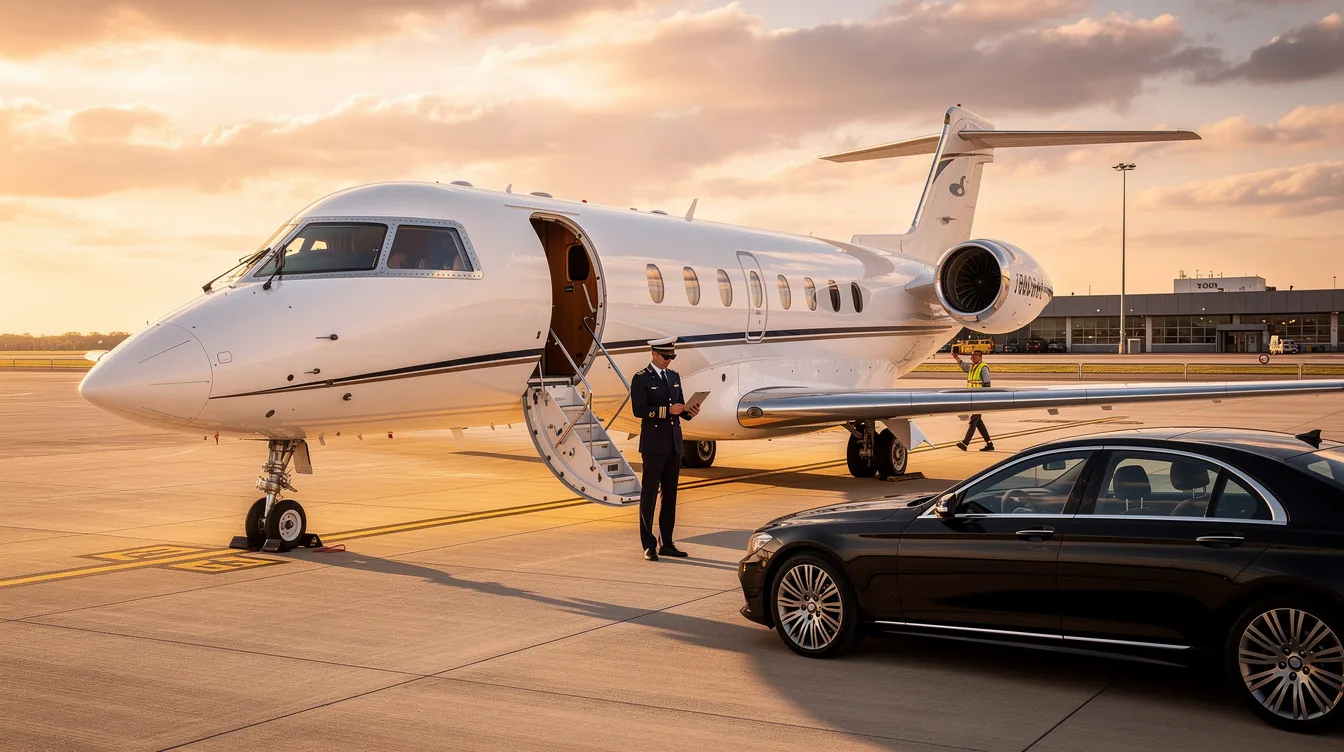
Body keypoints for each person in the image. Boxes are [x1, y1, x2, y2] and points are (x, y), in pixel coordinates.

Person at [629, 337, 700, 561]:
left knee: (670, 497)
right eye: (666, 356)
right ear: (654, 354)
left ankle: (666, 543)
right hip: (653, 445)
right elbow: (639, 410)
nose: (669, 360)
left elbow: (679, 407)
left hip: (673, 444)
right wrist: (667, 410)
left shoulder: (674, 377)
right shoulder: (641, 378)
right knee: (649, 496)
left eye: (672, 357)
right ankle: (648, 544)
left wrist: (690, 411)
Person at [953, 348, 995, 452]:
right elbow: (963, 365)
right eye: (971, 355)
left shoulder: (983, 367)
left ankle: (965, 443)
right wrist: (956, 357)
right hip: (973, 397)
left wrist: (984, 398)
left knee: (973, 421)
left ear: (980, 357)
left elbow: (987, 384)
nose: (971, 357)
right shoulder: (972, 367)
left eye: (974, 355)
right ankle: (989, 443)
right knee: (978, 422)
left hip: (979, 398)